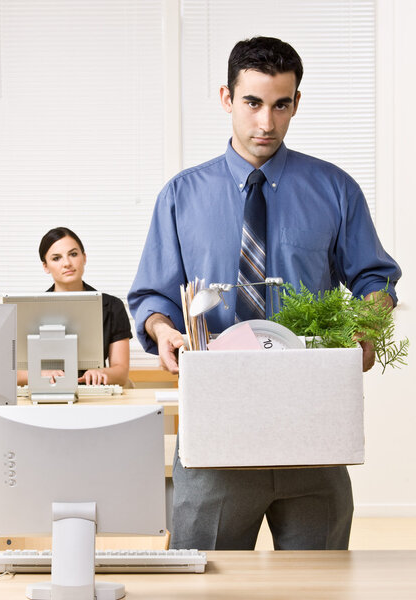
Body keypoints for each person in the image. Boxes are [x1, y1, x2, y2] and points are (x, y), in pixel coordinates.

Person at [128, 36, 401, 551]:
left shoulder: (334, 189)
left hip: (314, 432)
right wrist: (162, 330)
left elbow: (376, 277)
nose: (266, 123)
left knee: (318, 587)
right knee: (204, 585)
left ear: (296, 102)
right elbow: (152, 295)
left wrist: (367, 324)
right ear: (227, 98)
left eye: (281, 105)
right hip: (216, 433)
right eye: (252, 103)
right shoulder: (181, 197)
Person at [21, 226, 131, 387]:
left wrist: (101, 373)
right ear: (45, 266)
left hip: (95, 394)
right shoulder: (30, 309)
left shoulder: (112, 307)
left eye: (73, 254)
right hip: (47, 392)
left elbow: (121, 374)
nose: (67, 263)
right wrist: (41, 374)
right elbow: (14, 373)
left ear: (84, 258)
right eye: (56, 258)